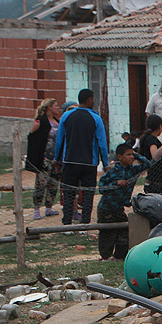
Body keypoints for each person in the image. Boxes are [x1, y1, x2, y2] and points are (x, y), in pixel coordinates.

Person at [54, 89, 108, 225]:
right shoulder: (96, 118)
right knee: (88, 194)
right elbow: (102, 143)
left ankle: (67, 224)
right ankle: (85, 224)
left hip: (69, 161)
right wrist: (105, 163)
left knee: (68, 193)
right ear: (89, 99)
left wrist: (56, 159)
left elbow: (59, 140)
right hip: (89, 163)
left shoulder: (66, 116)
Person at [97, 143, 155, 260]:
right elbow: (102, 188)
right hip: (107, 208)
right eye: (128, 155)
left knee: (124, 231)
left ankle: (119, 256)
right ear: (119, 157)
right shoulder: (112, 172)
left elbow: (148, 164)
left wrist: (137, 155)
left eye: (132, 154)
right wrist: (116, 183)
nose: (131, 157)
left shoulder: (132, 170)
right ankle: (105, 257)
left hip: (119, 208)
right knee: (108, 233)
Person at [26, 98, 61, 219]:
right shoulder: (40, 121)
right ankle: (36, 209)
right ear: (49, 107)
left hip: (56, 160)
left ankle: (49, 207)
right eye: (56, 105)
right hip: (44, 159)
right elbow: (32, 138)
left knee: (53, 184)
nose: (58, 108)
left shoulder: (58, 121)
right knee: (41, 183)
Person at [139, 114, 162, 194]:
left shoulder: (150, 138)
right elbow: (155, 156)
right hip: (155, 178)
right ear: (160, 126)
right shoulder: (151, 140)